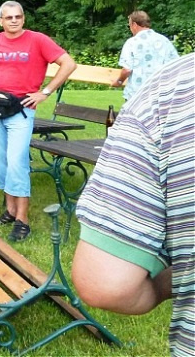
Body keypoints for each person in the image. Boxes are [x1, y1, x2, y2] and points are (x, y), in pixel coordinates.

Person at [73, 53, 193, 356]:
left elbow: (105, 283)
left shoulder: (172, 86)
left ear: (133, 28)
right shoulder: (164, 49)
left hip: (147, 123)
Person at [0, 1, 76, 242]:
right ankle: (10, 211)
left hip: (22, 110)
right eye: (8, 17)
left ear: (23, 18)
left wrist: (45, 92)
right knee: (1, 163)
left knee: (17, 163)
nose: (13, 20)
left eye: (18, 16)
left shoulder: (38, 40)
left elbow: (69, 64)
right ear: (1, 21)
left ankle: (23, 220)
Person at [111, 10, 179, 100]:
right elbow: (175, 66)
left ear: (134, 24)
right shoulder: (164, 40)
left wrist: (119, 82)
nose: (130, 28)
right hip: (160, 94)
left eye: (129, 25)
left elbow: (127, 70)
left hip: (137, 95)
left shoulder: (132, 42)